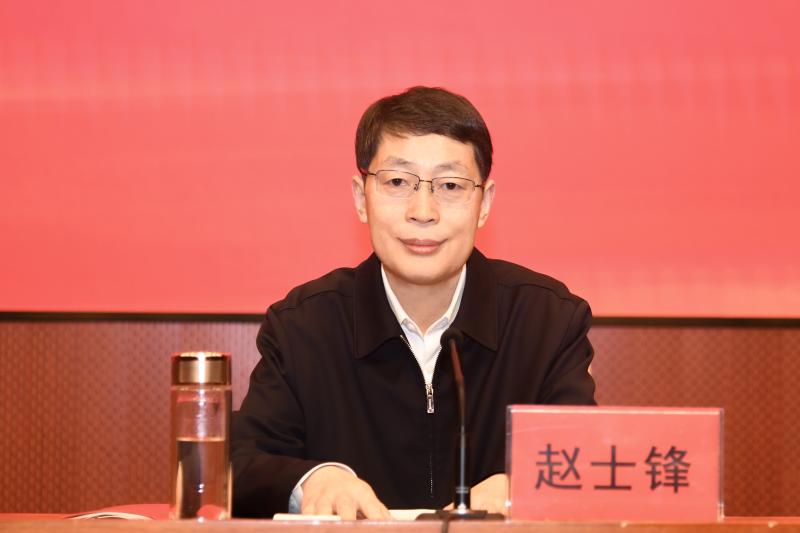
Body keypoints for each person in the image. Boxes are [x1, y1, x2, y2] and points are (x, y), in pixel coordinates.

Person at [231, 86, 596, 519]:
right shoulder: (303, 326)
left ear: (484, 204)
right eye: (397, 182)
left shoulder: (547, 322)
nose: (423, 211)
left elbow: (588, 460)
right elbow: (240, 464)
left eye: (450, 185)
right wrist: (315, 480)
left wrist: (525, 484)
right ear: (360, 198)